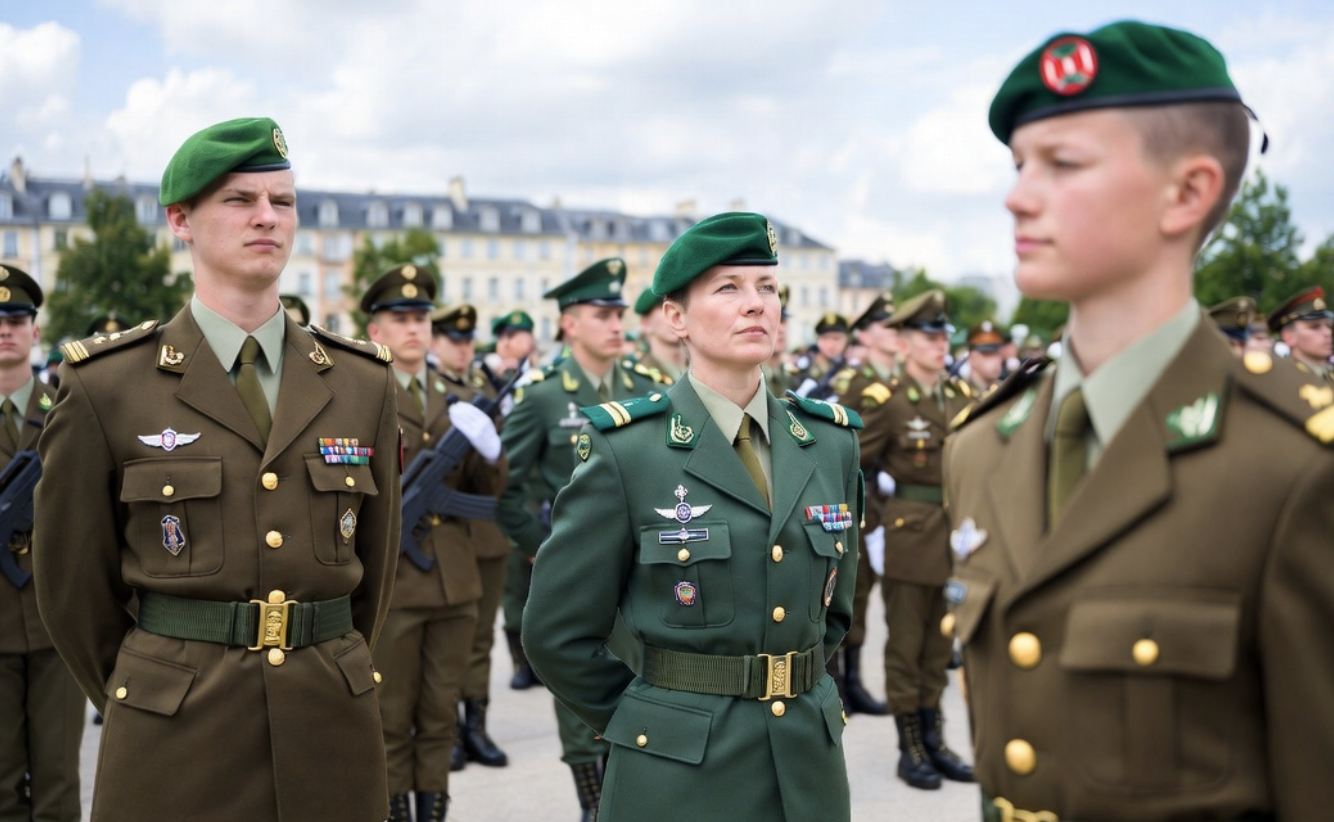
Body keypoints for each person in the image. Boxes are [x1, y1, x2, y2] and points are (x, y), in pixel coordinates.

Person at [944, 21, 1334, 821]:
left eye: (1064, 164)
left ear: (1186, 193)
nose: (1018, 195)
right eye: (1020, 165)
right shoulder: (981, 446)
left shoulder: (1295, 466)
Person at [33, 117, 401, 822]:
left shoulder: (362, 382)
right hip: (175, 742)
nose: (267, 217)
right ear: (181, 220)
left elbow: (375, 573)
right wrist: (149, 686)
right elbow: (71, 586)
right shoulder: (107, 385)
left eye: (282, 201)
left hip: (330, 731)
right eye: (239, 200)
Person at [524, 211, 862, 822]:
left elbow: (832, 615)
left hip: (808, 769)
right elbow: (556, 633)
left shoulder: (830, 443)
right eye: (728, 287)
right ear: (675, 317)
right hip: (679, 779)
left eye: (767, 287)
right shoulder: (628, 450)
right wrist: (650, 722)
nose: (756, 304)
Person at [497, 257, 663, 819]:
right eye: (602, 315)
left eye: (619, 314)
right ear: (569, 324)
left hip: (642, 573)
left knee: (644, 681)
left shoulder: (648, 388)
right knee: (580, 693)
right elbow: (506, 490)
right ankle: (593, 804)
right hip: (577, 574)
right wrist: (542, 551)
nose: (617, 325)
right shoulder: (543, 396)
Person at [364, 270, 505, 822]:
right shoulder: (362, 394)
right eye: (399, 319)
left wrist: (491, 452)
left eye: (421, 318)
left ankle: (433, 812)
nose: (413, 329)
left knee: (440, 716)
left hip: (454, 579)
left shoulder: (462, 399)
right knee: (390, 716)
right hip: (395, 583)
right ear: (375, 330)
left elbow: (488, 493)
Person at [857, 289, 975, 790]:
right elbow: (853, 464)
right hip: (908, 538)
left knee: (940, 645)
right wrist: (875, 522)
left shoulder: (963, 396)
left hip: (957, 540)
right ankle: (910, 748)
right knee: (906, 647)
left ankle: (935, 740)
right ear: (904, 343)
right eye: (928, 336)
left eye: (943, 335)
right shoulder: (887, 402)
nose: (940, 344)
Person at [0, 266, 84, 822]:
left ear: (34, 330)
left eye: (15, 319)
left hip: (58, 620)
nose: (5, 330)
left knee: (58, 782)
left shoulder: (70, 409)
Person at [425, 304, 514, 775]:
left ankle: (477, 725)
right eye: (453, 341)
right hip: (444, 531)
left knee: (480, 637)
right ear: (435, 343)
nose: (462, 349)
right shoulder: (427, 390)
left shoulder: (486, 388)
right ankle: (449, 730)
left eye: (467, 341)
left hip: (486, 531)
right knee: (448, 639)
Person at [826, 291, 898, 717]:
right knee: (849, 589)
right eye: (887, 327)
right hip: (855, 496)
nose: (896, 334)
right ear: (866, 336)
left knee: (866, 593)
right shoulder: (852, 382)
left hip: (883, 500)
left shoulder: (896, 380)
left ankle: (854, 680)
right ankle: (839, 681)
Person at [1269, 286, 1332, 380]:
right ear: (1288, 336)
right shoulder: (1279, 379)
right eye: (1315, 327)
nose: (1328, 333)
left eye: (1328, 326)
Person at [631, 288, 684, 383]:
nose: (675, 314)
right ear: (645, 323)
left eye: (680, 305)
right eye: (664, 308)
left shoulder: (702, 368)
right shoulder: (639, 376)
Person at [790, 312, 848, 397]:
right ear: (818, 340)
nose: (831, 344)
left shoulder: (848, 367)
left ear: (845, 340)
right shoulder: (802, 365)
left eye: (836, 339)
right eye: (825, 338)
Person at [483, 309, 537, 389]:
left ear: (530, 341)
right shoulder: (487, 369)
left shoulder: (540, 369)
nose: (505, 343)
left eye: (511, 336)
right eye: (500, 337)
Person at [964, 322, 1006, 393]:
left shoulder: (1006, 390)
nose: (996, 360)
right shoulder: (961, 391)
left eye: (997, 353)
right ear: (971, 358)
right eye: (987, 354)